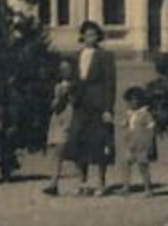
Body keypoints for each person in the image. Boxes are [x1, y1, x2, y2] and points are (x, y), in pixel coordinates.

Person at [58, 21, 116, 195]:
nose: (91, 38)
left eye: (94, 34)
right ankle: (82, 182)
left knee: (99, 143)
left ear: (99, 36)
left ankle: (101, 182)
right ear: (82, 36)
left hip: (98, 105)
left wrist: (108, 108)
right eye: (87, 34)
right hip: (80, 104)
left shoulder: (105, 56)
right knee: (77, 141)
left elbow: (110, 83)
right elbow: (73, 79)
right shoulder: (77, 56)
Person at [42, 60, 74, 196]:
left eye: (67, 68)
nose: (64, 71)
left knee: (62, 148)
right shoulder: (57, 85)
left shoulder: (76, 85)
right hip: (57, 118)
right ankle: (53, 183)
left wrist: (67, 95)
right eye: (62, 68)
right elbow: (53, 105)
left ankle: (82, 182)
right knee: (54, 150)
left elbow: (75, 101)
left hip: (68, 116)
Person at [121, 86, 158, 196]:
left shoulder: (145, 114)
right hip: (131, 143)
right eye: (129, 101)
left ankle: (148, 188)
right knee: (126, 163)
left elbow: (152, 128)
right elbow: (125, 124)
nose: (130, 104)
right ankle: (126, 186)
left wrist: (150, 143)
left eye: (133, 100)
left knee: (143, 166)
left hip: (142, 144)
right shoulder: (129, 114)